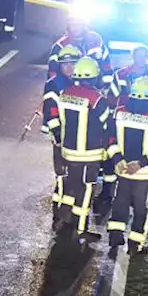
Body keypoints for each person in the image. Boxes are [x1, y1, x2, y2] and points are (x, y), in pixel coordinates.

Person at [106, 76, 148, 255]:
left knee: (120, 204)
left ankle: (115, 236)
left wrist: (118, 159)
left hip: (122, 172)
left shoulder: (119, 113)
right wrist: (141, 163)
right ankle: (135, 245)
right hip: (145, 176)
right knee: (142, 210)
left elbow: (110, 138)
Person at [54, 57, 113, 240]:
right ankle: (81, 229)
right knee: (86, 190)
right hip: (89, 154)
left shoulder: (64, 93)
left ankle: (62, 218)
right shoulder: (96, 99)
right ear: (94, 76)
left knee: (70, 187)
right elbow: (107, 125)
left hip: (68, 151)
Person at [44, 45, 83, 228]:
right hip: (62, 139)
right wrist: (59, 136)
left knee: (74, 175)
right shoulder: (54, 84)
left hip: (78, 139)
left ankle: (65, 209)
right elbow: (50, 113)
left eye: (73, 64)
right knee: (62, 173)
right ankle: (59, 211)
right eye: (65, 64)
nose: (69, 68)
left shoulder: (81, 83)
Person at [109, 45, 148, 111]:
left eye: (144, 56)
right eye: (139, 56)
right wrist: (115, 113)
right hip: (124, 114)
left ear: (147, 57)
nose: (142, 58)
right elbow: (111, 97)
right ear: (133, 56)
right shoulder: (120, 75)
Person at [48, 16, 109, 81]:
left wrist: (106, 86)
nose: (76, 28)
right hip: (70, 86)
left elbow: (107, 65)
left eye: (79, 24)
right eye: (73, 25)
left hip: (94, 85)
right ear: (68, 26)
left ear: (84, 25)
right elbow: (52, 71)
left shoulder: (96, 40)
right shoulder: (60, 46)